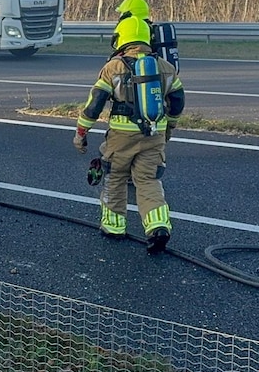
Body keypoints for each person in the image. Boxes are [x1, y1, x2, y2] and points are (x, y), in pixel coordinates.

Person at [73, 16, 185, 254]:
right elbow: (177, 101)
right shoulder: (166, 67)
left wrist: (81, 132)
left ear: (120, 39)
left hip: (121, 136)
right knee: (148, 180)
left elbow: (95, 104)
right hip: (154, 134)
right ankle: (158, 225)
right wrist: (170, 127)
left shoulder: (113, 67)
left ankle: (114, 226)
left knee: (115, 177)